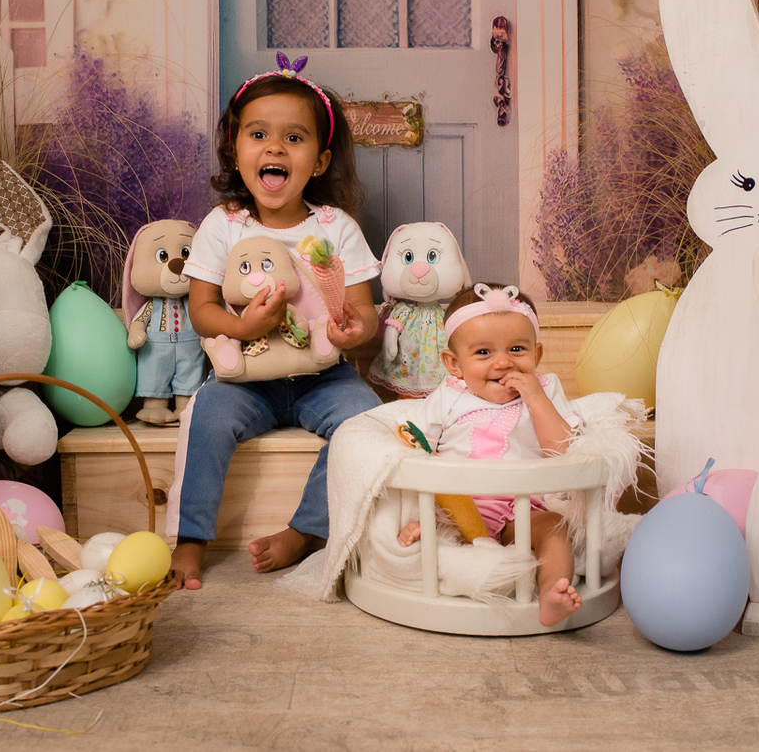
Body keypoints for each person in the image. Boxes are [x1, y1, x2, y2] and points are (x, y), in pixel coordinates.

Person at [168, 53, 382, 590]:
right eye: (258, 134)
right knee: (205, 414)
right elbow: (202, 310)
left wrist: (354, 329)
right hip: (246, 376)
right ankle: (191, 537)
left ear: (320, 160)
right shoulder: (224, 225)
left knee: (366, 422)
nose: (274, 148)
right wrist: (245, 329)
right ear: (235, 150)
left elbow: (364, 313)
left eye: (294, 138)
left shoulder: (336, 228)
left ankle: (307, 530)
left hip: (323, 376)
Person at [395, 283, 584, 626]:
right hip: (457, 507)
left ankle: (552, 592)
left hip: (520, 509)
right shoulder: (450, 395)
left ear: (537, 355)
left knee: (556, 530)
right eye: (483, 352)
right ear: (454, 364)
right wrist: (426, 511)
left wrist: (535, 398)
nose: (503, 362)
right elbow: (416, 444)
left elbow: (564, 451)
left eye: (517, 349)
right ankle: (429, 537)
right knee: (421, 525)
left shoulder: (545, 388)